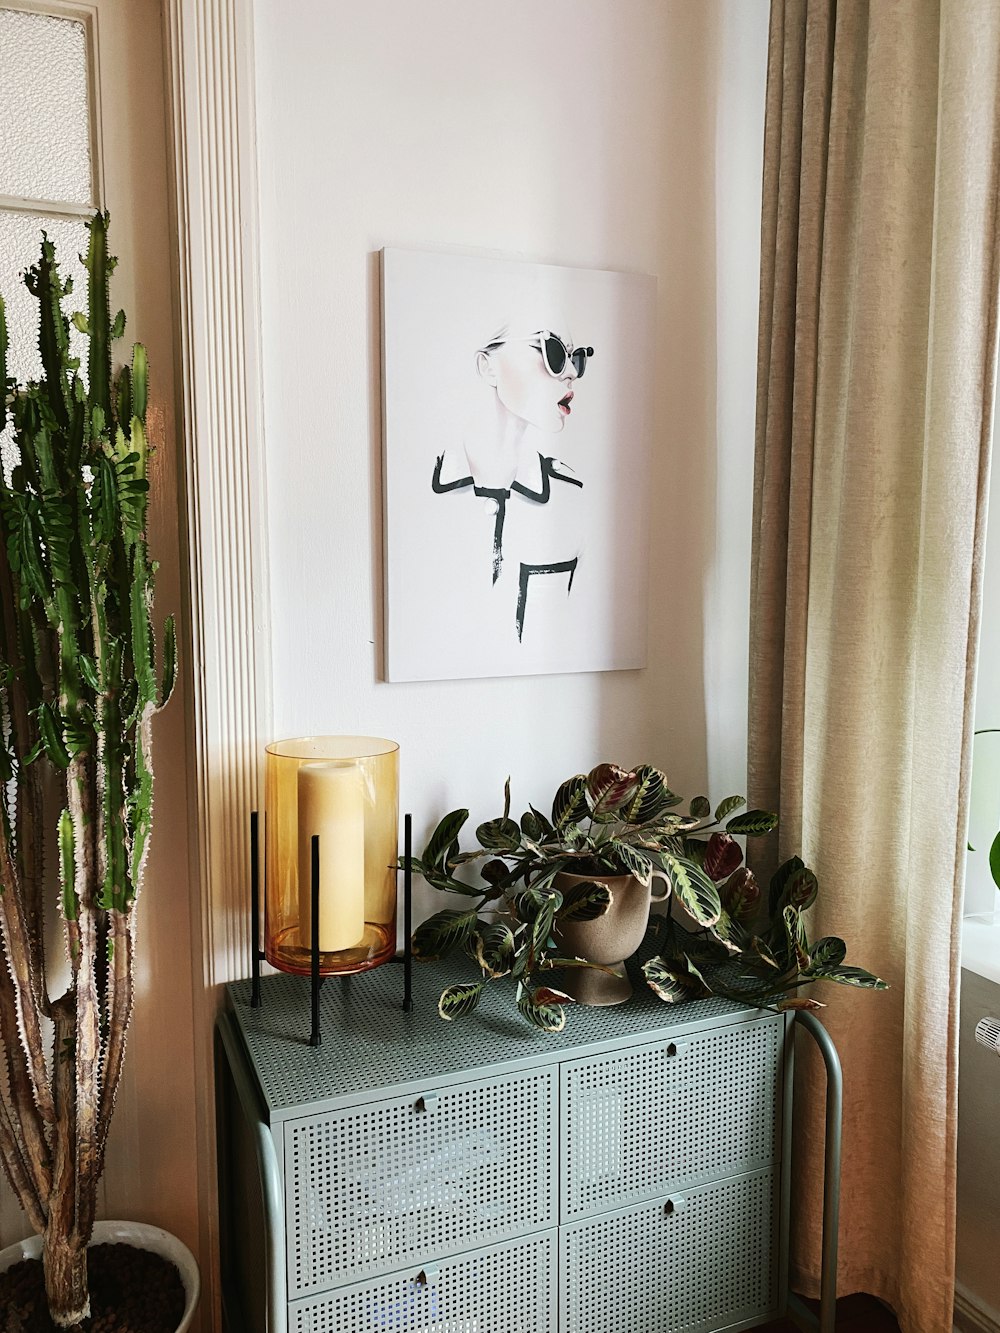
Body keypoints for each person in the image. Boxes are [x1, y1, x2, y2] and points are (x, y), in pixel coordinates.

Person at [432, 321, 594, 641]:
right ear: (487, 367)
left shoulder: (573, 499)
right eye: (553, 352)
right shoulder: (414, 495)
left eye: (577, 359)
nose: (571, 373)